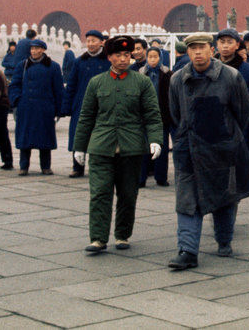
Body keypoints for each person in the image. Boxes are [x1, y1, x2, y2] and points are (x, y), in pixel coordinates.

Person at [166, 33, 249, 271]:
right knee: (187, 200)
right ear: (187, 52)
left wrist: (225, 133)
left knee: (225, 197)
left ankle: (224, 239)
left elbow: (242, 112)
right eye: (193, 48)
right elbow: (176, 114)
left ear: (211, 49)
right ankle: (187, 251)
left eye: (202, 47)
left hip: (223, 148)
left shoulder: (230, 77)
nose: (197, 52)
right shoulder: (178, 79)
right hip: (189, 149)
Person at [73, 36, 162, 253]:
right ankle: (98, 238)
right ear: (109, 57)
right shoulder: (97, 83)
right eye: (117, 55)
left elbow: (152, 114)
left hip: (131, 147)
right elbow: (86, 116)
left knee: (128, 194)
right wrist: (79, 146)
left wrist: (155, 140)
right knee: (100, 193)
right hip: (102, 146)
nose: (122, 59)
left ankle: (122, 235)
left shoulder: (141, 82)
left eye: (126, 54)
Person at [8, 39, 64, 175]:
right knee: (24, 140)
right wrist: (17, 100)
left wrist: (59, 109)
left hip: (44, 107)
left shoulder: (53, 66)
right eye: (32, 49)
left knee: (44, 139)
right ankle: (23, 166)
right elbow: (14, 85)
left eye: (37, 49)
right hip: (26, 107)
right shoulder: (23, 65)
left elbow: (58, 89)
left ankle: (45, 166)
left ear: (43, 50)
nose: (34, 51)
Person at [214, 28, 249, 164]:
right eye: (222, 42)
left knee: (242, 177)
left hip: (241, 131)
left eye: (229, 42)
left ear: (237, 45)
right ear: (217, 45)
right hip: (214, 134)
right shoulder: (208, 70)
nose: (225, 45)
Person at [62, 30, 110, 177]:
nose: (90, 44)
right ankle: (77, 167)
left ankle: (100, 167)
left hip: (103, 105)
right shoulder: (79, 61)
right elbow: (71, 85)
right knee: (79, 135)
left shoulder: (108, 61)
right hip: (81, 105)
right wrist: (67, 106)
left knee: (101, 136)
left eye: (93, 40)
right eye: (88, 41)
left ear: (102, 42)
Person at [138, 46, 171, 187]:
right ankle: (141, 178)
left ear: (160, 58)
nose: (152, 60)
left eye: (155, 57)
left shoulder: (167, 74)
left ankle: (161, 177)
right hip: (144, 117)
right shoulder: (140, 74)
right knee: (143, 149)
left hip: (162, 117)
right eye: (150, 57)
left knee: (162, 149)